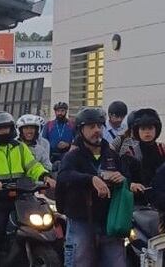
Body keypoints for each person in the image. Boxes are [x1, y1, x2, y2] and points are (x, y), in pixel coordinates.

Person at [0, 111, 53, 267]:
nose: (4, 132)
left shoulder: (20, 147)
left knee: (45, 223)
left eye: (7, 128)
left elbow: (33, 166)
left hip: (22, 197)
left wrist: (45, 176)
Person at [56, 107, 127, 267]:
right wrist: (90, 179)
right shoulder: (73, 156)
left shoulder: (111, 154)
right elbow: (64, 176)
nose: (97, 130)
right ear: (81, 130)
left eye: (99, 126)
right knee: (79, 262)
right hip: (81, 221)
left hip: (110, 221)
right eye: (91, 126)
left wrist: (121, 178)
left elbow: (125, 175)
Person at [122, 108, 165, 203]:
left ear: (156, 129)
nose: (147, 132)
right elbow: (124, 178)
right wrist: (131, 184)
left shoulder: (163, 151)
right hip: (139, 204)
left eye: (150, 128)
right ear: (137, 131)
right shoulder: (130, 153)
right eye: (143, 129)